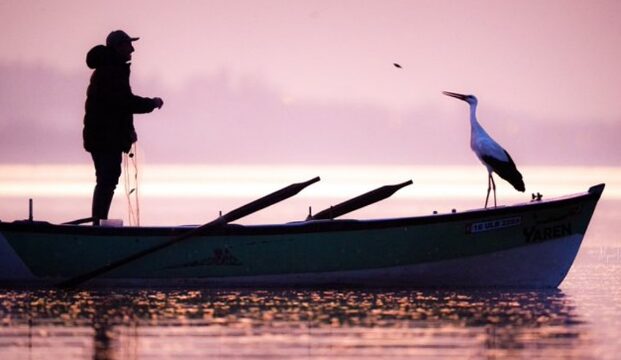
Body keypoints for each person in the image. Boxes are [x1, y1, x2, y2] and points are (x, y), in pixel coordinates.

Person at [83, 30, 163, 225]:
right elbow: (124, 102)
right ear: (118, 47)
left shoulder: (110, 68)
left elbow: (118, 107)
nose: (132, 49)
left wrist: (129, 131)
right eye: (128, 45)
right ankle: (98, 225)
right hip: (105, 137)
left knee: (106, 179)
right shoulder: (111, 70)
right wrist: (151, 103)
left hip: (102, 136)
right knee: (107, 179)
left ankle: (98, 223)